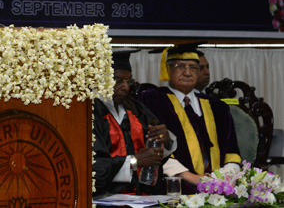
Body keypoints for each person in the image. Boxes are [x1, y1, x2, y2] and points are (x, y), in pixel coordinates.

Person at [137, 43, 241, 195]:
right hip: (174, 185)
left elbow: (232, 150)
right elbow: (151, 147)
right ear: (168, 69)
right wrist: (190, 177)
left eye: (193, 67)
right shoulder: (152, 100)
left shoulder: (217, 107)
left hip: (218, 187)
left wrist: (225, 178)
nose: (187, 73)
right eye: (180, 66)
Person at [92, 49, 176, 197]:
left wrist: (165, 140)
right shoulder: (89, 114)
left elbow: (154, 154)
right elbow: (91, 168)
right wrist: (134, 161)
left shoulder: (137, 109)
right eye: (118, 81)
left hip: (141, 197)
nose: (125, 87)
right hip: (102, 200)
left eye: (128, 81)